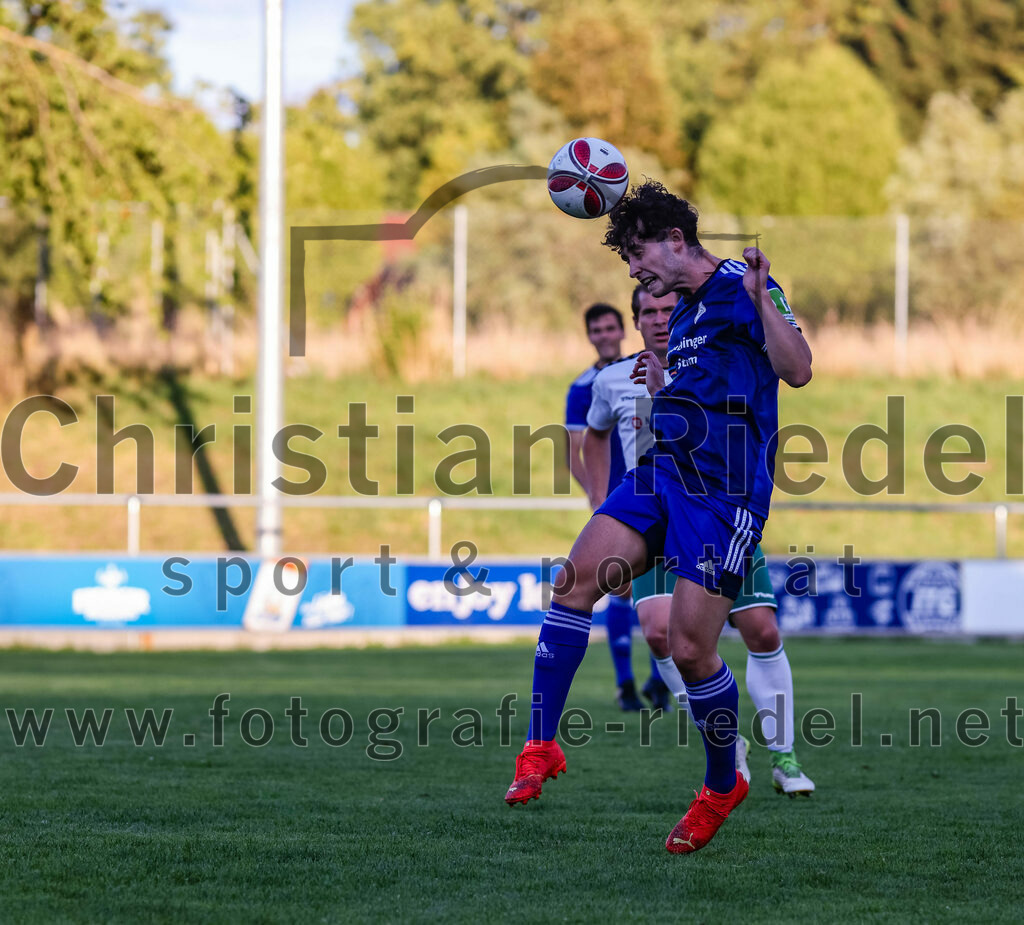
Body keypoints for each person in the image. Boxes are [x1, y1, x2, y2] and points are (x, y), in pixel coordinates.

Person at [505, 180, 813, 856]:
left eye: (641, 256)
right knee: (573, 581)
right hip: (663, 471)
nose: (637, 274)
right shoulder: (687, 312)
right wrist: (664, 386)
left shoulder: (742, 283)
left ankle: (719, 784)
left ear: (676, 240)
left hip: (723, 493)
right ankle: (540, 743)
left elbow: (797, 370)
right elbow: (703, 393)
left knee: (691, 648)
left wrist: (765, 298)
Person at [585, 285, 815, 796]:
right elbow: (593, 435)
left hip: (718, 511)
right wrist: (600, 503)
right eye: (650, 311)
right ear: (636, 322)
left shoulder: (716, 360)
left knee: (762, 632)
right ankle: (727, 743)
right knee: (662, 634)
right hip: (654, 520)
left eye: (670, 309)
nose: (661, 319)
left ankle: (785, 756)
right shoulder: (613, 380)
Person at [564, 303, 658, 712]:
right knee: (619, 586)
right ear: (589, 336)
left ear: (624, 329)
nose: (603, 335)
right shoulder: (584, 387)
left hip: (658, 492)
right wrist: (598, 499)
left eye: (609, 327)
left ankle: (659, 681)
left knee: (661, 592)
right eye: (595, 330)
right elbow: (576, 450)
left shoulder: (656, 368)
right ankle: (626, 683)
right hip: (619, 498)